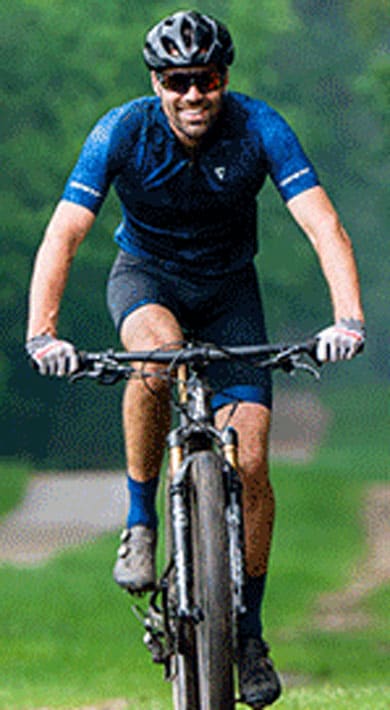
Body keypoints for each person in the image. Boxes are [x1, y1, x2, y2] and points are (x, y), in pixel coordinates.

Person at [26, 10, 365, 708]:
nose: (192, 97)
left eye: (204, 80)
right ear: (157, 82)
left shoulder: (259, 127)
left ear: (224, 79)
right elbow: (64, 234)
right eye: (177, 82)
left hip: (230, 292)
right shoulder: (122, 130)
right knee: (155, 356)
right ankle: (141, 521)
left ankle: (246, 634)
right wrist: (43, 332)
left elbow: (321, 222)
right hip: (146, 279)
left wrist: (347, 318)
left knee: (252, 460)